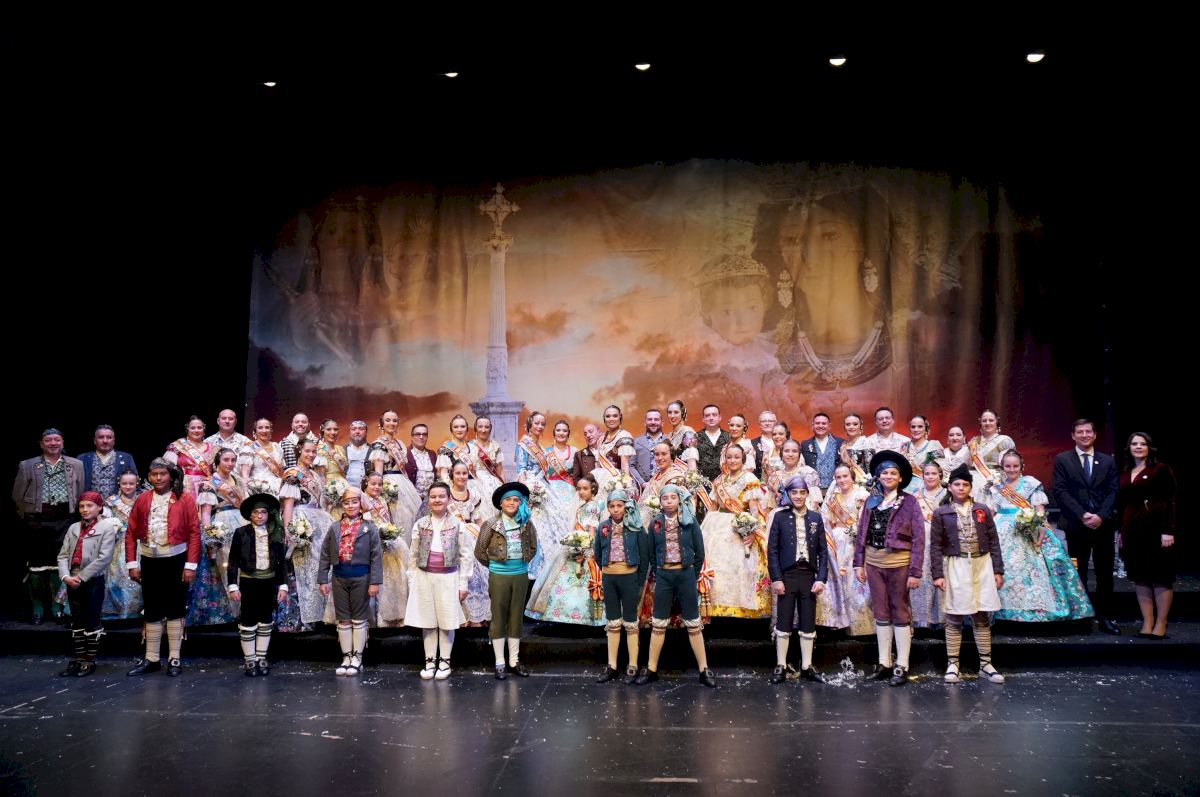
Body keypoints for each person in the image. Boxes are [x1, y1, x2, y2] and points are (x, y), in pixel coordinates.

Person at [990, 450, 1094, 622]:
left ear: (1022, 466)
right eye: (1008, 466)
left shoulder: (1031, 484)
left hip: (1027, 530)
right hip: (1001, 531)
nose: (1012, 469)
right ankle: (1002, 611)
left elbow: (1039, 510)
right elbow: (992, 512)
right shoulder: (996, 488)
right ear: (1002, 467)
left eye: (1015, 466)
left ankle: (1034, 611)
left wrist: (1039, 525)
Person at [853, 452, 924, 686]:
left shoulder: (910, 502)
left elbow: (919, 539)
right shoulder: (871, 501)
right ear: (878, 476)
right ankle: (884, 662)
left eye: (893, 473)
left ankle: (902, 664)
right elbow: (862, 533)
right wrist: (858, 563)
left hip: (899, 564)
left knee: (900, 611)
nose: (889, 476)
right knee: (881, 612)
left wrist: (915, 572)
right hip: (874, 564)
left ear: (900, 478)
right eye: (885, 473)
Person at [930, 464, 1006, 684]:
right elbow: (935, 546)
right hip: (956, 565)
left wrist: (998, 570)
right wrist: (938, 574)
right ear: (950, 487)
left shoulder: (981, 510)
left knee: (981, 614)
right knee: (954, 615)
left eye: (965, 484)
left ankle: (985, 664)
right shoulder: (941, 512)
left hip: (981, 564)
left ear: (971, 487)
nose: (961, 488)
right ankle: (953, 664)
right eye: (957, 484)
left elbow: (993, 541)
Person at [636, 484, 716, 687]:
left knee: (693, 621)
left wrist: (691, 574)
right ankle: (651, 668)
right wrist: (660, 572)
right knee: (658, 622)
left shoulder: (689, 521)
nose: (669, 501)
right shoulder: (655, 522)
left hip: (685, 573)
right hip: (664, 575)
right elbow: (651, 553)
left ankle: (704, 669)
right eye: (665, 498)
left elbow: (699, 552)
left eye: (673, 498)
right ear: (660, 502)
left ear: (679, 500)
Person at [126, 459, 200, 677]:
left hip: (176, 560)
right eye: (154, 474)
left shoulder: (184, 499)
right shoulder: (142, 499)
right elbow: (130, 533)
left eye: (162, 474)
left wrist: (190, 566)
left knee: (175, 608)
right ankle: (152, 659)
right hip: (150, 560)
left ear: (170, 476)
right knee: (152, 608)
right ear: (149, 477)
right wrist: (132, 563)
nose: (158, 478)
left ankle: (174, 658)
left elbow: (194, 533)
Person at [1052, 418, 1120, 634]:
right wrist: (1082, 515)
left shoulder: (1107, 461)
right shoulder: (1063, 459)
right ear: (1073, 435)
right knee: (1078, 572)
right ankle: (1081, 617)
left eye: (1088, 431)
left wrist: (1100, 516)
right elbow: (1060, 491)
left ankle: (1105, 617)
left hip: (1103, 526)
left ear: (1095, 434)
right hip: (1076, 526)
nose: (1084, 435)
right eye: (1080, 432)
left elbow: (1113, 491)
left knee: (1104, 574)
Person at [12, 429, 84, 624]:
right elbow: (17, 496)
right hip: (37, 520)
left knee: (60, 563)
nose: (53, 443)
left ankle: (56, 607)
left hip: (65, 519)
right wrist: (29, 518)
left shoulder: (75, 464)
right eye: (48, 440)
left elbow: (80, 492)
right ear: (41, 444)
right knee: (37, 565)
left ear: (62, 442)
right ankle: (37, 608)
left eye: (57, 439)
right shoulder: (28, 465)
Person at [767, 477, 828, 684]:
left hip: (808, 575)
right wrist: (776, 578)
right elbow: (772, 551)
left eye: (802, 492)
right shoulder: (780, 517)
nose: (798, 496)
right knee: (783, 620)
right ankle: (781, 665)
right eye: (794, 493)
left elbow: (823, 552)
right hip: (787, 575)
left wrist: (821, 578)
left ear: (807, 494)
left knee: (808, 620)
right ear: (789, 494)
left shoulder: (816, 518)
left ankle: (807, 666)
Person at [406, 483, 470, 680]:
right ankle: (430, 661)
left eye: (441, 496)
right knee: (428, 621)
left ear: (448, 499)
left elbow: (465, 555)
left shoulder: (457, 525)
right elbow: (413, 554)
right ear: (428, 499)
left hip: (448, 577)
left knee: (446, 620)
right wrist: (412, 579)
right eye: (433, 496)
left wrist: (463, 583)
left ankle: (444, 661)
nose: (437, 500)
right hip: (424, 576)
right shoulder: (420, 524)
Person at [475, 482, 538, 680]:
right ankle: (500, 662)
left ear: (521, 503)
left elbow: (533, 547)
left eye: (516, 500)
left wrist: (521, 564)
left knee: (516, 616)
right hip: (499, 576)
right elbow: (480, 551)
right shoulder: (491, 524)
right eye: (508, 500)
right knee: (499, 616)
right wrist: (495, 566)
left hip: (520, 575)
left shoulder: (526, 524)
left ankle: (514, 660)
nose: (512, 503)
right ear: (501, 504)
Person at [318, 487, 382, 676]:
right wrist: (323, 579)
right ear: (342, 505)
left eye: (354, 502)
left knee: (359, 617)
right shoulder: (334, 527)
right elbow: (325, 554)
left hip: (361, 577)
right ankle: (346, 656)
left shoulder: (369, 528)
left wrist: (374, 582)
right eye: (347, 503)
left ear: (360, 504)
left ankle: (357, 657)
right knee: (343, 618)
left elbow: (376, 557)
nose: (351, 506)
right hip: (339, 577)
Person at [700, 445, 770, 619]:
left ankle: (741, 610)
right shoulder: (719, 480)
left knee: (740, 567)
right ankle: (715, 609)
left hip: (739, 526)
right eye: (729, 457)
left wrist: (751, 530)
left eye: (736, 457)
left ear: (743, 459)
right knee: (716, 565)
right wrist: (704, 529)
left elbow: (754, 510)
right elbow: (713, 507)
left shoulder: (749, 479)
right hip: (718, 526)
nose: (732, 461)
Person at [1119, 433, 1177, 639]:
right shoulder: (1126, 472)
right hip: (1132, 531)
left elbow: (1169, 501)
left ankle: (1161, 623)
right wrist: (1121, 531)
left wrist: (1168, 530)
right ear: (1129, 448)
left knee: (1160, 577)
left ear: (1149, 448)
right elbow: (1123, 504)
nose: (1138, 447)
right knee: (1140, 577)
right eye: (1134, 444)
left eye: (1142, 444)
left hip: (1156, 529)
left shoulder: (1161, 470)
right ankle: (1147, 622)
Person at [526, 475, 604, 627]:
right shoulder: (584, 505)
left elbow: (591, 531)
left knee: (581, 577)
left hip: (584, 546)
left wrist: (585, 549)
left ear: (593, 489)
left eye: (585, 489)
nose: (581, 492)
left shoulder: (593, 506)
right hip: (577, 542)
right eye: (579, 489)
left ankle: (580, 616)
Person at [56, 491, 118, 677]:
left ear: (99, 508)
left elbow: (104, 557)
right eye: (82, 506)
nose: (85, 509)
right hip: (72, 578)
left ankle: (89, 660)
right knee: (77, 620)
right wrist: (65, 576)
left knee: (91, 619)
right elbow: (63, 555)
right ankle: (79, 658)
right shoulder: (74, 528)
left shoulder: (106, 528)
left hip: (92, 579)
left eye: (90, 506)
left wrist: (81, 577)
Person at [226, 494, 289, 676]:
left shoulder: (276, 533)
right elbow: (233, 560)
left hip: (269, 582)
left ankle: (261, 657)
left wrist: (283, 585)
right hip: (249, 582)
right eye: (256, 512)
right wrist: (233, 585)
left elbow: (281, 562)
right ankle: (250, 659)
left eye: (263, 512)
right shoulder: (241, 532)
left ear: (268, 514)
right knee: (248, 619)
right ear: (250, 515)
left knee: (266, 619)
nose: (259, 516)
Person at [594, 489, 651, 684]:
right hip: (610, 578)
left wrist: (638, 581)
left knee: (630, 621)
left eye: (619, 505)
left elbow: (644, 557)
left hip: (629, 578)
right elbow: (598, 553)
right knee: (612, 621)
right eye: (612, 506)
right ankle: (612, 665)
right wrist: (607, 570)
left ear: (626, 507)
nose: (616, 509)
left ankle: (632, 665)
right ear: (608, 508)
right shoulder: (603, 527)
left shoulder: (636, 528)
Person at [279, 440, 332, 630]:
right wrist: (288, 529)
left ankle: (320, 615)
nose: (311, 454)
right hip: (301, 519)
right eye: (307, 451)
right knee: (302, 568)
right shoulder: (293, 473)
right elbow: (288, 505)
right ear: (299, 450)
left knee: (320, 568)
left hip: (320, 521)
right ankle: (302, 620)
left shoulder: (315, 474)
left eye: (314, 451)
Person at [189, 448, 243, 626]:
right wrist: (210, 535)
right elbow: (205, 513)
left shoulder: (238, 479)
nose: (230, 463)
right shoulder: (209, 483)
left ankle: (241, 608)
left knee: (240, 564)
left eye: (233, 460)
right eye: (226, 460)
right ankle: (227, 610)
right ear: (217, 461)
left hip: (240, 522)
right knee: (224, 565)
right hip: (222, 524)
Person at [818, 464, 874, 635]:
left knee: (855, 581)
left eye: (845, 476)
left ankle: (860, 626)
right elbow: (826, 519)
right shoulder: (832, 497)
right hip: (836, 541)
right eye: (838, 477)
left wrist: (857, 533)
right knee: (837, 579)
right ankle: (840, 622)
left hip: (855, 542)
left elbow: (866, 520)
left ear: (852, 477)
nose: (842, 480)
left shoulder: (862, 495)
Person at [516, 411, 571, 580]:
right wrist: (525, 494)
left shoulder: (539, 446)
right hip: (531, 489)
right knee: (537, 530)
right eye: (537, 423)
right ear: (529, 425)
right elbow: (521, 470)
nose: (540, 426)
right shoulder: (523, 445)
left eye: (542, 424)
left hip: (544, 489)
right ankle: (533, 572)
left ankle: (549, 571)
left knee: (553, 526)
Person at [359, 471, 409, 628]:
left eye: (380, 484)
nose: (377, 487)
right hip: (373, 545)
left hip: (389, 542)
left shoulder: (382, 499)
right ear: (366, 483)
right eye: (373, 484)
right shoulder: (362, 500)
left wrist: (391, 532)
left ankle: (396, 614)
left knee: (396, 577)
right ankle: (380, 617)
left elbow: (388, 520)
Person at [445, 461, 491, 626]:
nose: (461, 476)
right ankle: (460, 616)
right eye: (458, 473)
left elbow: (478, 519)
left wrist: (487, 537)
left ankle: (476, 616)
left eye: (464, 473)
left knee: (478, 574)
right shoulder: (445, 494)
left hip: (471, 536)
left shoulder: (474, 495)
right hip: (450, 536)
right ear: (452, 474)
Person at [369, 410, 421, 540]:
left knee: (411, 516)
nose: (391, 423)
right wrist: (379, 492)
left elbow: (403, 469)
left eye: (395, 420)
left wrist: (410, 486)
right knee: (397, 518)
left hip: (404, 483)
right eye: (387, 420)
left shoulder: (400, 444)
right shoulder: (379, 444)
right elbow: (378, 472)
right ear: (382, 424)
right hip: (389, 483)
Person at [101, 471, 144, 619]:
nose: (128, 486)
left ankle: (137, 611)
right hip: (119, 544)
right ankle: (120, 610)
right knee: (117, 577)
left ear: (137, 483)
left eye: (131, 483)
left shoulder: (143, 498)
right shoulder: (112, 501)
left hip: (140, 543)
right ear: (119, 483)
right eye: (124, 483)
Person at [911, 462, 948, 629]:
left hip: (942, 540)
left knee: (943, 575)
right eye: (927, 474)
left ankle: (943, 619)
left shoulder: (948, 494)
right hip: (921, 541)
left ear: (940, 475)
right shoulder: (915, 495)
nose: (931, 477)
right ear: (922, 475)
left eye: (934, 473)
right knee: (923, 577)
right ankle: (922, 620)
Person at [967, 410, 1016, 502]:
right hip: (973, 485)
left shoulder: (1005, 441)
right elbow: (968, 463)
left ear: (997, 422)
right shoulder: (973, 442)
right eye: (984, 421)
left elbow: (1013, 465)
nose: (987, 423)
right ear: (980, 423)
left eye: (991, 420)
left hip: (995, 484)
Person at [77, 425, 138, 497]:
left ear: (114, 441)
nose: (105, 441)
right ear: (95, 441)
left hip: (119, 503)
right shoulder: (82, 459)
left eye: (109, 437)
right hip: (90, 502)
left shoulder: (126, 458)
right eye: (101, 437)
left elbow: (135, 483)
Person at [164, 416, 215, 498]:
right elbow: (166, 469)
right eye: (193, 428)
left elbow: (218, 472)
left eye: (199, 428)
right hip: (184, 487)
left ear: (204, 429)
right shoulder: (177, 446)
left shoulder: (213, 448)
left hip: (207, 488)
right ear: (187, 429)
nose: (196, 430)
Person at [239, 418, 285, 495]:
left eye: (267, 427)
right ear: (255, 431)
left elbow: (281, 470)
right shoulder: (249, 449)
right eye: (260, 428)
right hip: (257, 487)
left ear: (271, 430)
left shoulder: (277, 447)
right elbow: (245, 475)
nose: (264, 430)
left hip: (277, 486)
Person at [800, 412, 843, 492]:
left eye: (824, 423)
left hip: (836, 489)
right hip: (813, 490)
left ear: (829, 426)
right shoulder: (805, 444)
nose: (820, 426)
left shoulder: (840, 443)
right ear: (812, 425)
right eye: (817, 423)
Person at [901, 416, 943, 495]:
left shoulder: (934, 445)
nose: (916, 430)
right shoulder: (904, 446)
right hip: (904, 488)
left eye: (920, 426)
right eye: (913, 427)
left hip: (927, 489)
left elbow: (943, 472)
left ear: (926, 429)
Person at [544, 420, 578, 503]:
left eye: (565, 431)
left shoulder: (575, 451)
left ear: (568, 433)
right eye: (558, 430)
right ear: (554, 433)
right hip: (551, 492)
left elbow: (579, 474)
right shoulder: (546, 452)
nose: (561, 433)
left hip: (570, 492)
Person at [695, 404, 731, 482]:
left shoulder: (729, 437)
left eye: (714, 415)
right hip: (702, 484)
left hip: (725, 482)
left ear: (720, 417)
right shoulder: (695, 437)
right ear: (703, 419)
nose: (711, 418)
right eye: (707, 415)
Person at [632, 409, 667, 483]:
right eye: (650, 419)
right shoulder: (636, 442)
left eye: (656, 419)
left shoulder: (670, 440)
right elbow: (631, 466)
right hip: (644, 486)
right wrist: (642, 483)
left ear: (662, 423)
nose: (653, 422)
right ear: (645, 423)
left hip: (667, 484)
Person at [406, 423, 438, 504]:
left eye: (424, 434)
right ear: (412, 437)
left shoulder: (432, 454)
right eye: (418, 434)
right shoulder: (405, 453)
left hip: (430, 500)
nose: (421, 437)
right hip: (411, 499)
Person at [435, 414, 472, 482]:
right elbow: (444, 475)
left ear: (467, 429)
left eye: (463, 426)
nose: (459, 430)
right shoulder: (445, 449)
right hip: (453, 485)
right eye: (456, 427)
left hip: (472, 485)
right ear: (451, 429)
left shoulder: (473, 448)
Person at [664, 400, 699, 470]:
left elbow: (692, 461)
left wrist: (692, 475)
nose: (672, 416)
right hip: (670, 473)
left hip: (685, 474)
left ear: (682, 414)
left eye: (676, 412)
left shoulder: (688, 432)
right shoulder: (669, 436)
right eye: (670, 412)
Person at [750, 411, 778, 481]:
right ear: (759, 424)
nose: (767, 423)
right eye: (764, 421)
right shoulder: (752, 444)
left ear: (775, 423)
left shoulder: (783, 443)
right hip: (758, 484)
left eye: (770, 421)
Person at [344, 420, 372, 488]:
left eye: (361, 429)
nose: (357, 432)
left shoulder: (373, 450)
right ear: (350, 432)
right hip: (346, 491)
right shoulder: (342, 450)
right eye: (353, 429)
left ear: (366, 432)